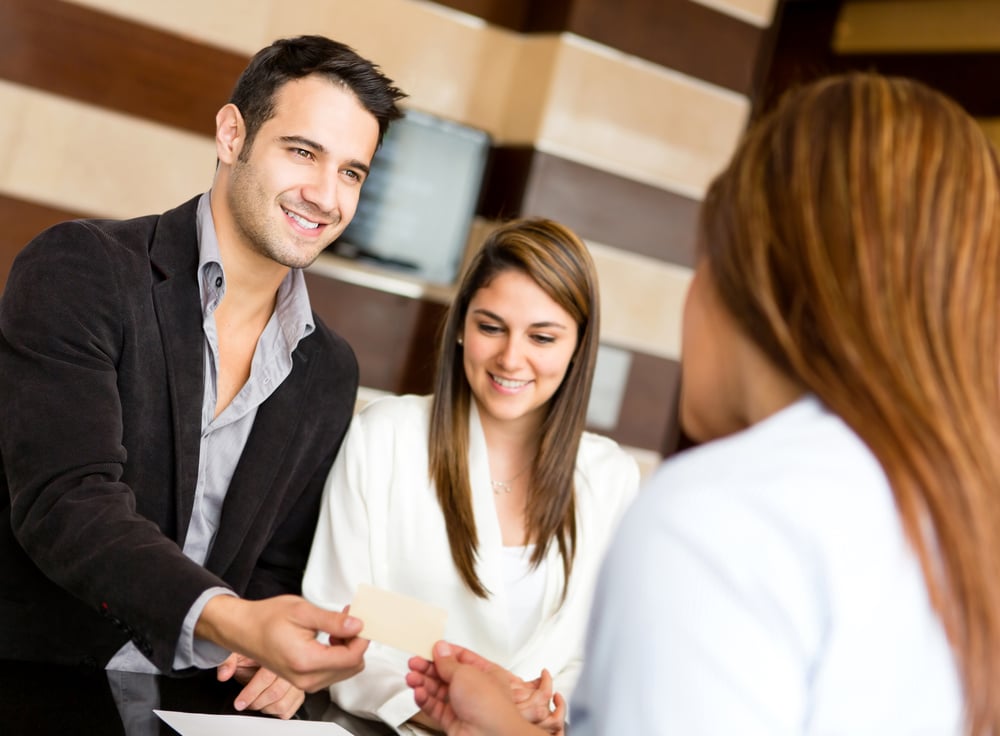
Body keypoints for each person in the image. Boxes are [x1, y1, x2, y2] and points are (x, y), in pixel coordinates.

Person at [405, 71, 1000, 734]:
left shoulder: (718, 514)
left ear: (749, 280)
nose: (514, 356)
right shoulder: (957, 509)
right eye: (492, 325)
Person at [0, 34, 406, 720]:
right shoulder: (83, 270)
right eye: (303, 152)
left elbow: (276, 562)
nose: (325, 195)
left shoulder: (329, 370)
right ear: (231, 134)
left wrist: (276, 659)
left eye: (351, 172)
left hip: (196, 706)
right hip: (34, 681)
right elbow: (67, 504)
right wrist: (236, 622)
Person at [302, 218, 640, 734]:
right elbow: (336, 622)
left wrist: (537, 714)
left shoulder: (612, 478)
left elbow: (602, 657)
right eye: (491, 327)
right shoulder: (386, 437)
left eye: (543, 337)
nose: (511, 358)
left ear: (579, 346)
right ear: (461, 326)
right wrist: (448, 714)